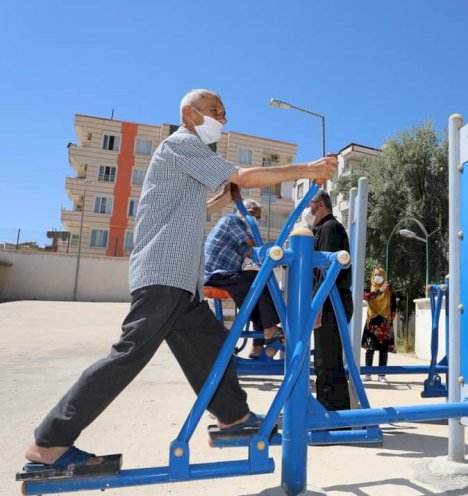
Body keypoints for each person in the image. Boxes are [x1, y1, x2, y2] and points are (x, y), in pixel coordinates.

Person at [23, 89, 336, 472]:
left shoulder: (187, 159)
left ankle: (234, 417)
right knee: (127, 357)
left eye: (224, 113)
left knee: (209, 346)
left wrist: (220, 202)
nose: (221, 119)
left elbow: (182, 207)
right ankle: (49, 441)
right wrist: (308, 170)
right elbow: (245, 176)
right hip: (163, 277)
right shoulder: (181, 143)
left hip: (182, 284)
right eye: (213, 111)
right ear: (188, 114)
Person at [204, 198, 283, 359]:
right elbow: (255, 247)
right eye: (254, 214)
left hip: (222, 275)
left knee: (256, 300)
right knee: (258, 278)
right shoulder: (233, 221)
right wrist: (278, 256)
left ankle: (258, 346)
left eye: (259, 217)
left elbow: (251, 253)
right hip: (216, 274)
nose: (256, 219)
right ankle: (269, 329)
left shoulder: (236, 231)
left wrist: (279, 260)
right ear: (243, 211)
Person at [307, 190, 352, 411]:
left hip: (330, 303)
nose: (307, 210)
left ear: (321, 206)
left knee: (328, 362)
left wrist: (317, 306)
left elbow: (326, 271)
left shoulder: (329, 228)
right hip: (327, 302)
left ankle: (333, 417)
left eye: (310, 205)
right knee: (325, 360)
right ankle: (330, 412)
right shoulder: (320, 230)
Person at [361, 267, 395, 383]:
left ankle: (381, 374)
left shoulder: (389, 289)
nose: (377, 276)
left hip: (385, 322)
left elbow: (393, 304)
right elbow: (366, 297)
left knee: (383, 350)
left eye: (380, 274)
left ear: (384, 276)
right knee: (369, 349)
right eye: (375, 274)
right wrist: (380, 291)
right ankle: (368, 373)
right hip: (372, 322)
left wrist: (391, 319)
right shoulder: (369, 287)